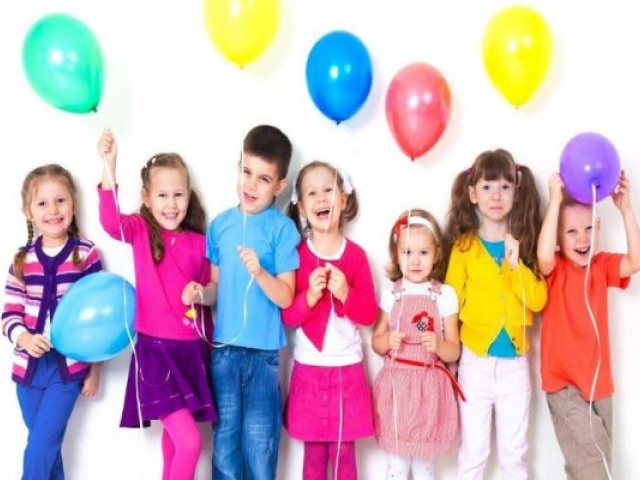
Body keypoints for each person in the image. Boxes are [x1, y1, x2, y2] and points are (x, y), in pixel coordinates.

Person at [97, 130, 216, 480]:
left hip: (191, 353)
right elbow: (110, 222)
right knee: (190, 442)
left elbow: (212, 292)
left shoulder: (201, 243)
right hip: (156, 355)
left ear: (189, 196)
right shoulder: (140, 232)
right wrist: (109, 165)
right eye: (162, 195)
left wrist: (201, 292)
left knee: (175, 444)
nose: (171, 204)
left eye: (178, 195)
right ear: (146, 198)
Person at [185, 125, 300, 479]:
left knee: (260, 447)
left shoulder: (282, 230)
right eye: (246, 172)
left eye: (263, 179)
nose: (251, 185)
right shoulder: (220, 226)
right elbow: (216, 288)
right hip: (224, 353)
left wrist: (260, 272)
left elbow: (286, 296)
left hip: (264, 356)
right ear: (238, 167)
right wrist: (202, 293)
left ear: (279, 185)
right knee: (225, 447)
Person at [443, 149, 548, 480]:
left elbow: (538, 301)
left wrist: (515, 266)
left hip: (515, 368)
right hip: (474, 363)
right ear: (473, 194)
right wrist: (450, 355)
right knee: (473, 454)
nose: (496, 196)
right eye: (487, 187)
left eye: (505, 186)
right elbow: (448, 305)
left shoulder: (525, 246)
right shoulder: (463, 248)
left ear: (516, 192)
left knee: (514, 456)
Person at [2, 164, 103, 479]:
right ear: (28, 211)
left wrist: (94, 370)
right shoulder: (22, 259)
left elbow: (98, 321)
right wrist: (25, 339)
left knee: (40, 447)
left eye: (60, 200)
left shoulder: (86, 254)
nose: (53, 210)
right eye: (42, 203)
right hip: (28, 371)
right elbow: (9, 315)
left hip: (67, 368)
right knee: (46, 446)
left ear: (73, 203)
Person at [537, 171, 640, 478]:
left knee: (597, 465)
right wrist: (554, 201)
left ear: (599, 228)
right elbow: (543, 256)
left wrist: (626, 209)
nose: (583, 238)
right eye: (571, 232)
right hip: (565, 387)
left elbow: (635, 262)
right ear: (557, 238)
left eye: (589, 228)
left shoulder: (602, 265)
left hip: (600, 386)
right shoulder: (555, 268)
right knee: (595, 468)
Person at [282, 160, 377, 479]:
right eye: (312, 193)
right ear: (301, 207)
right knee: (313, 455)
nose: (322, 198)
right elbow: (288, 316)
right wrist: (309, 297)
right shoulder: (296, 255)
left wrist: (347, 293)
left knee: (344, 453)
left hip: (346, 370)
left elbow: (369, 315)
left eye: (328, 190)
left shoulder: (356, 256)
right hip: (309, 369)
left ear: (344, 199)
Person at [372, 208, 462, 480]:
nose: (414, 260)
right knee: (397, 468)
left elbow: (454, 350)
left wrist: (438, 345)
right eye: (407, 252)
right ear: (396, 254)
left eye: (423, 252)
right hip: (397, 389)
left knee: (424, 469)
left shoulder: (444, 295)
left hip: (428, 390)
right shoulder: (391, 293)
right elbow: (376, 342)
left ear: (436, 254)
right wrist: (387, 341)